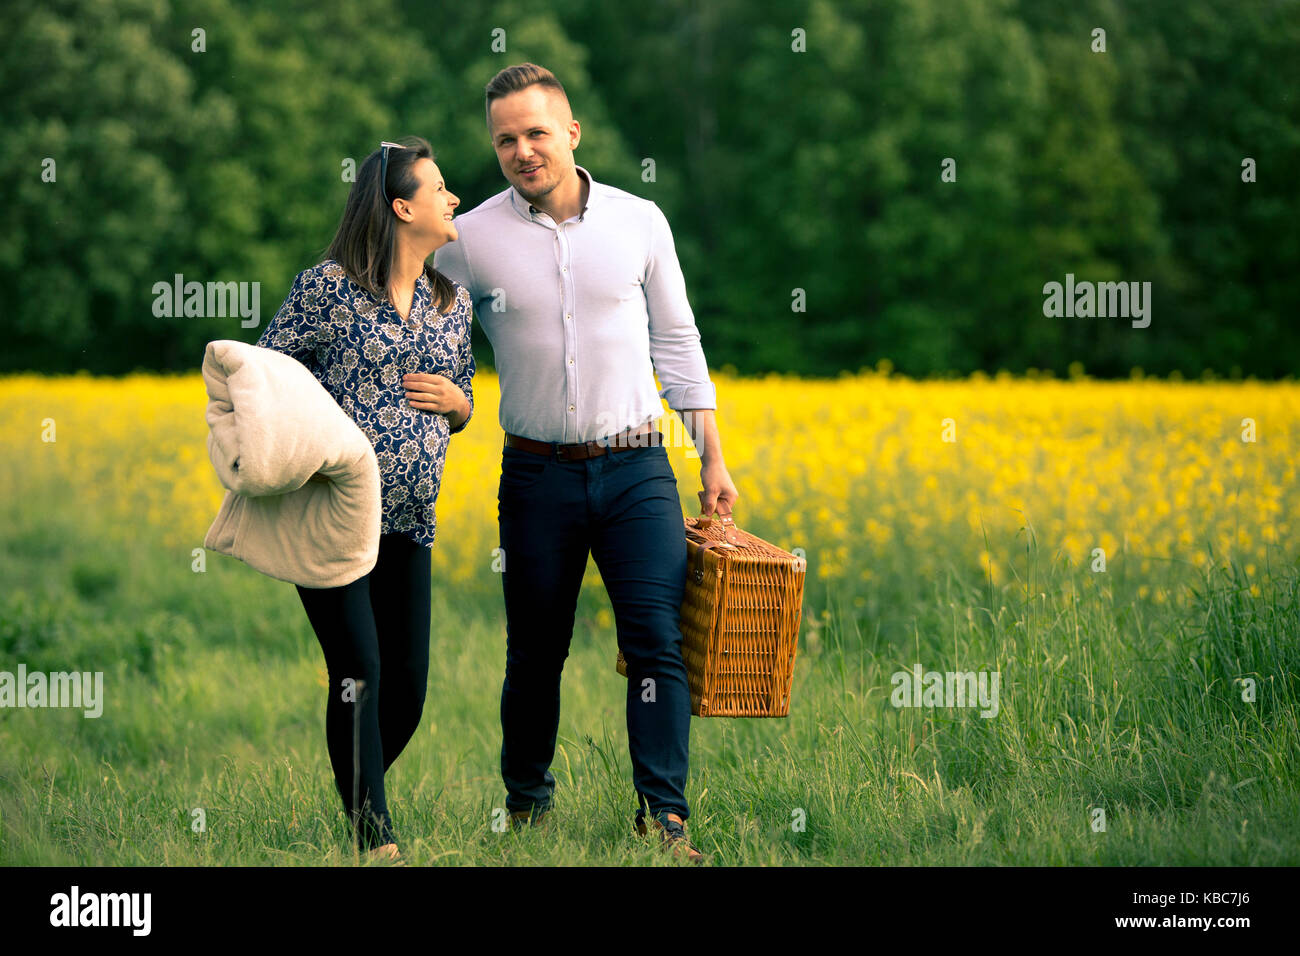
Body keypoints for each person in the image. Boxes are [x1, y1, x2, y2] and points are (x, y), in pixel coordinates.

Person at [435, 63, 739, 864]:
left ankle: (664, 820)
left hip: (639, 467)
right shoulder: (468, 238)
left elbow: (678, 343)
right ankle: (528, 804)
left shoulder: (641, 221)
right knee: (537, 649)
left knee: (655, 642)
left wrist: (713, 458)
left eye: (537, 132)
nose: (522, 151)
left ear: (572, 132)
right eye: (506, 139)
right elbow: (415, 316)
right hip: (536, 476)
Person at [256, 136, 474, 864]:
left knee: (406, 686)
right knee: (359, 672)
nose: (453, 199)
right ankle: (375, 839)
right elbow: (268, 374)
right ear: (402, 206)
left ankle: (358, 793)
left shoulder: (452, 302)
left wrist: (459, 405)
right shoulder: (328, 287)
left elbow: (463, 400)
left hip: (410, 523)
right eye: (439, 188)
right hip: (332, 517)